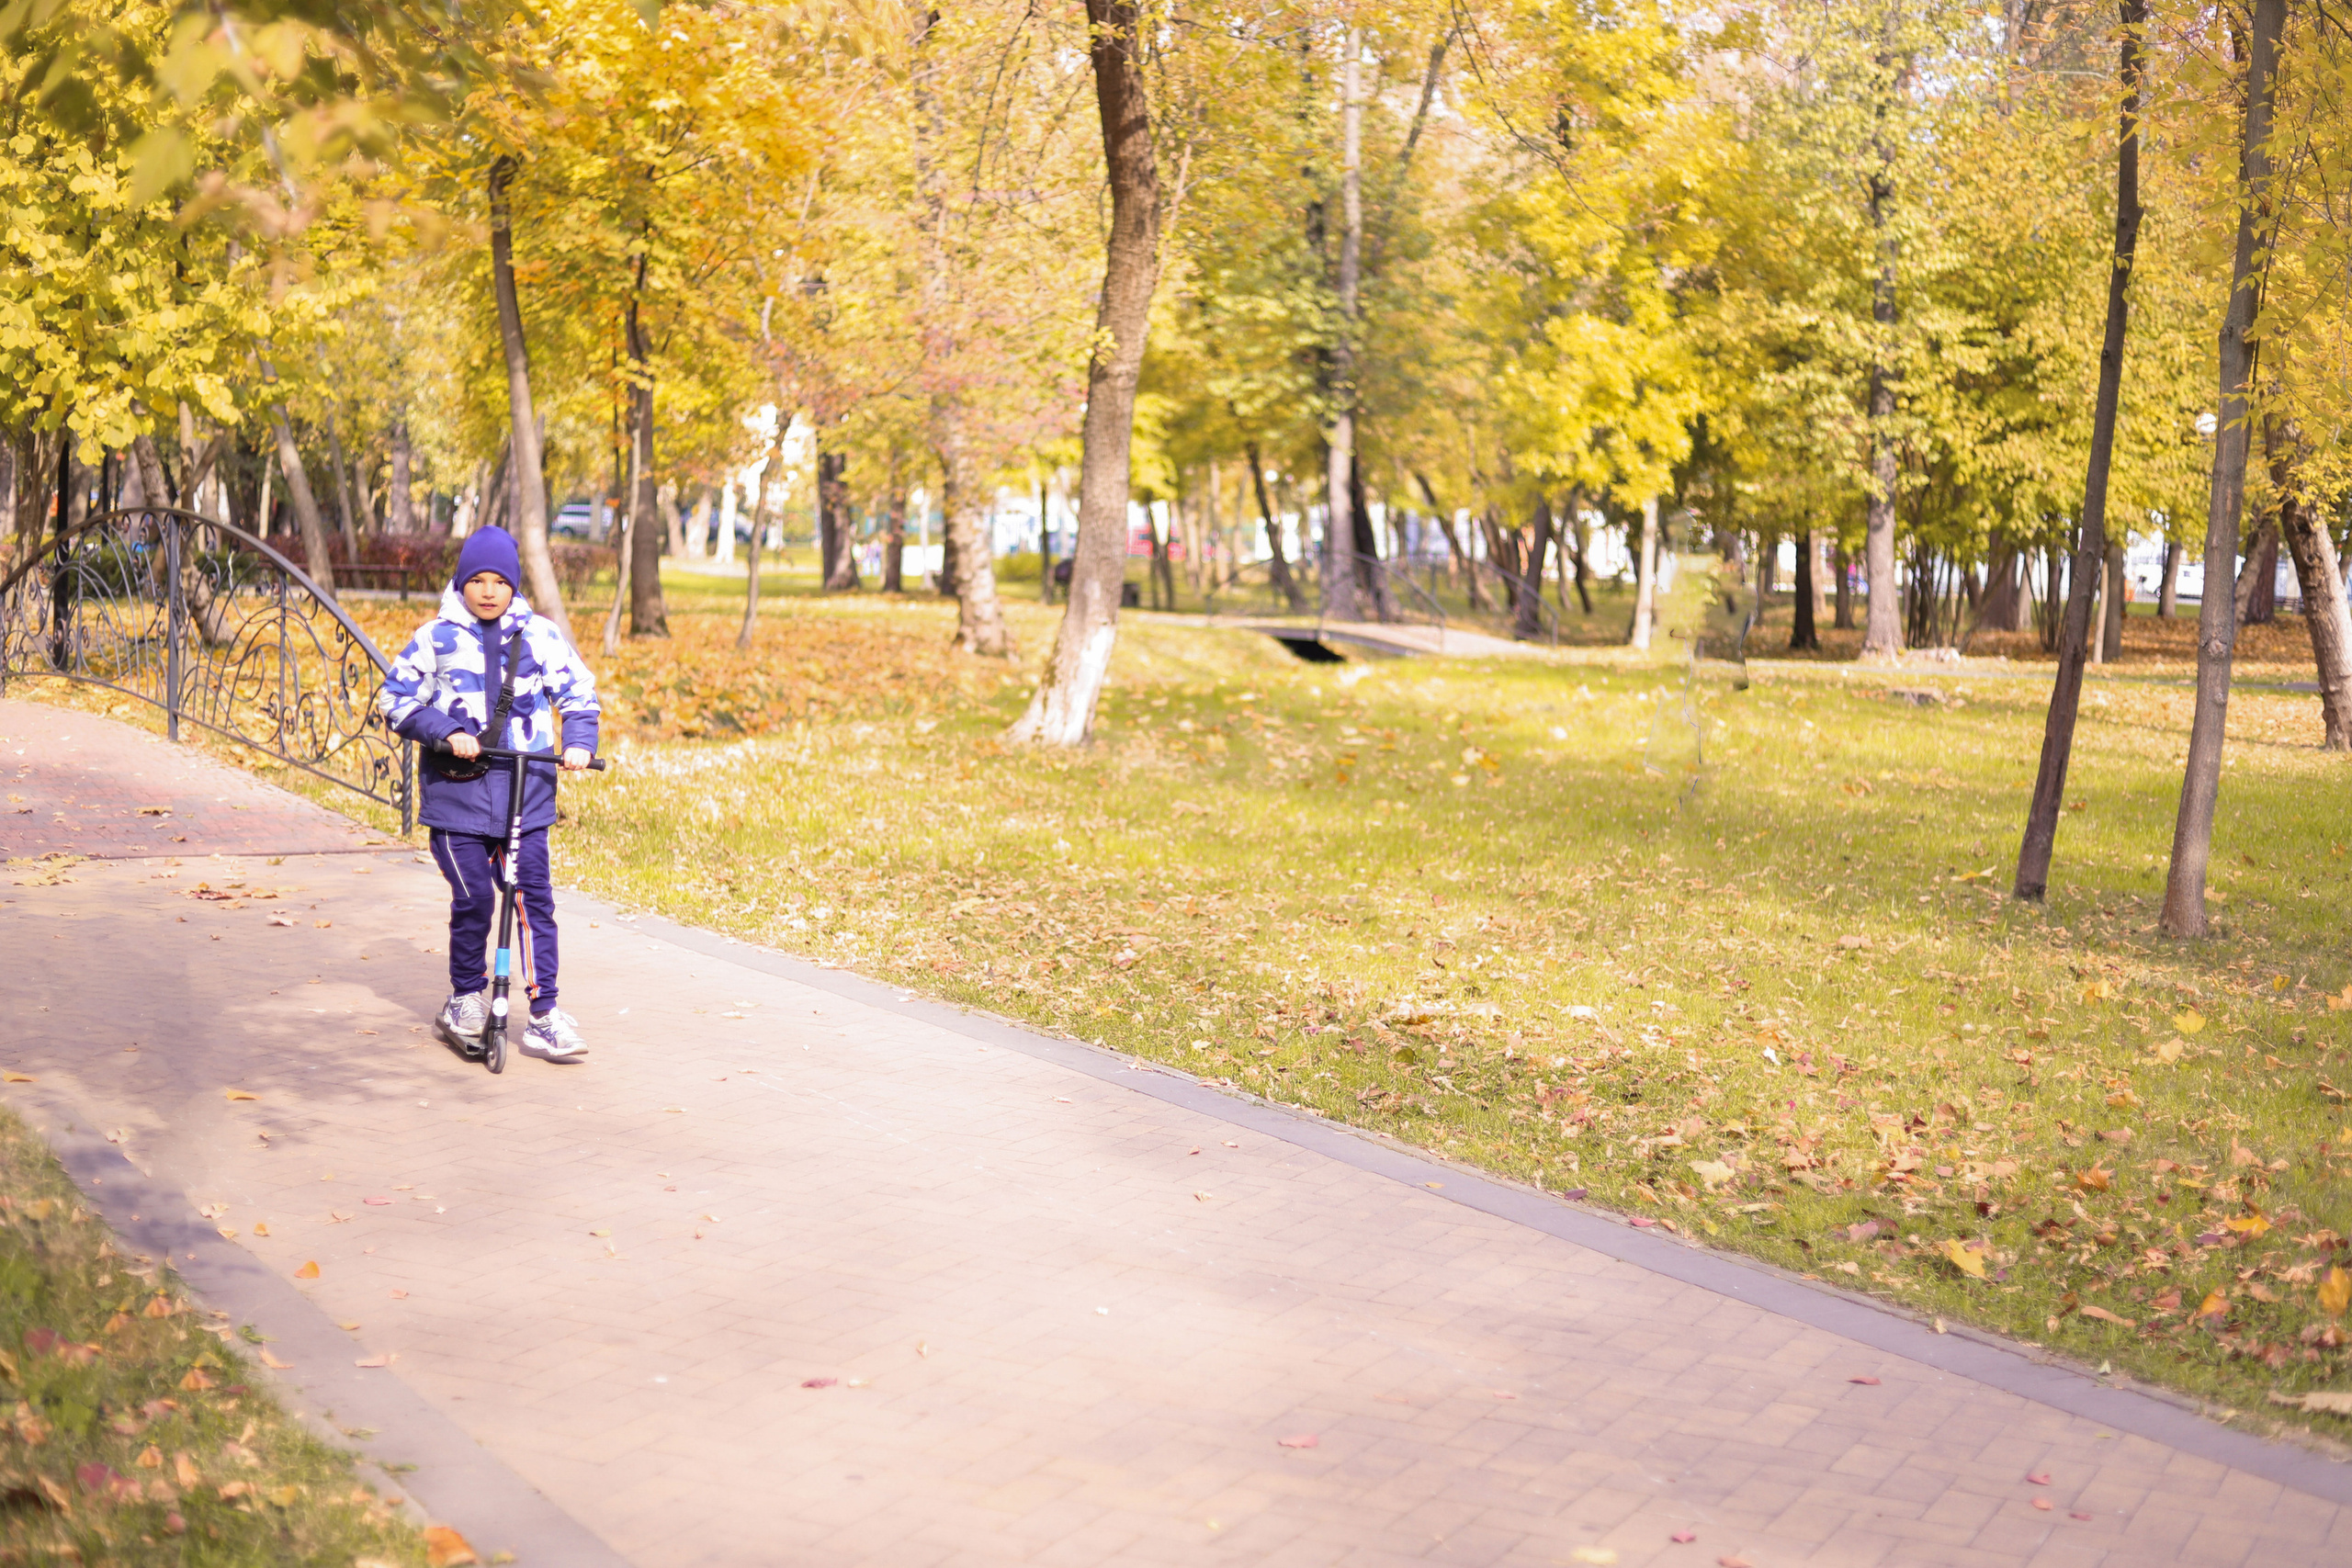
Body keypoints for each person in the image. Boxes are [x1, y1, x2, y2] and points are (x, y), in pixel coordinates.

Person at [378, 527, 601, 1064]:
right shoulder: (436, 637)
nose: (487, 590)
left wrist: (578, 743)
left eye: (500, 581)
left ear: (514, 586)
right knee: (476, 898)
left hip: (525, 796)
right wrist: (442, 731)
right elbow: (395, 697)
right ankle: (465, 998)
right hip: (458, 798)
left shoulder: (541, 636)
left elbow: (578, 692)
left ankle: (544, 1014)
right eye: (476, 579)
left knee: (532, 901)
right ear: (460, 583)